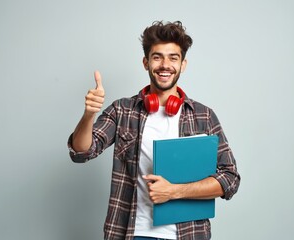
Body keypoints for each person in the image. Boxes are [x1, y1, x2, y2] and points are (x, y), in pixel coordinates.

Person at [68, 20, 240, 240]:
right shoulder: (122, 110)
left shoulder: (204, 116)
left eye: (173, 58)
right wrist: (89, 114)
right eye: (157, 57)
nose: (165, 65)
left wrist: (175, 191)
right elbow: (81, 152)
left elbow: (230, 179)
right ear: (145, 62)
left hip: (187, 235)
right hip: (132, 234)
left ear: (183, 65)